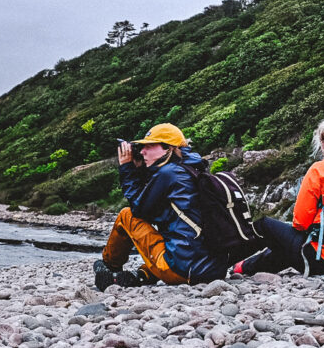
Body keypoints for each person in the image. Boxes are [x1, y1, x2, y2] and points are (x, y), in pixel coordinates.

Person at [231, 107, 324, 276]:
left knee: (265, 225)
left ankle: (223, 261)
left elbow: (300, 222)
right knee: (290, 245)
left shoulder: (321, 170)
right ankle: (245, 267)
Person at [94, 123, 227, 289]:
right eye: (141, 147)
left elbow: (139, 209)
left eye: (149, 146)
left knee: (126, 215)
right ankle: (142, 275)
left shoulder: (168, 173)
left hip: (183, 270)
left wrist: (127, 169)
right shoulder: (194, 169)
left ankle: (109, 266)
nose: (142, 152)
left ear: (168, 149)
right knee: (172, 237)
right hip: (213, 270)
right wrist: (142, 170)